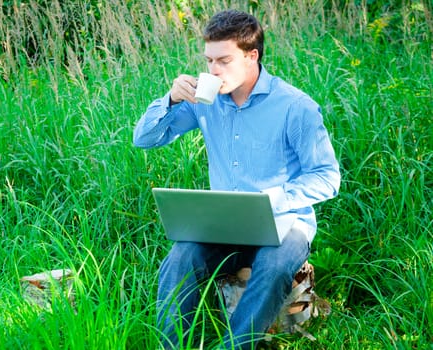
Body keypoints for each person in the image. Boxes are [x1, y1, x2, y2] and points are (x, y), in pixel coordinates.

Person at [133, 9, 340, 350]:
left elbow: (328, 178)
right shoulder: (205, 101)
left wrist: (276, 198)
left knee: (273, 268)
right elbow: (145, 139)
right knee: (180, 257)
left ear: (251, 56)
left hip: (285, 223)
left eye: (224, 60)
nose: (213, 70)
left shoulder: (295, 106)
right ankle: (171, 346)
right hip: (225, 226)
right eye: (209, 60)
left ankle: (235, 346)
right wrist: (170, 100)